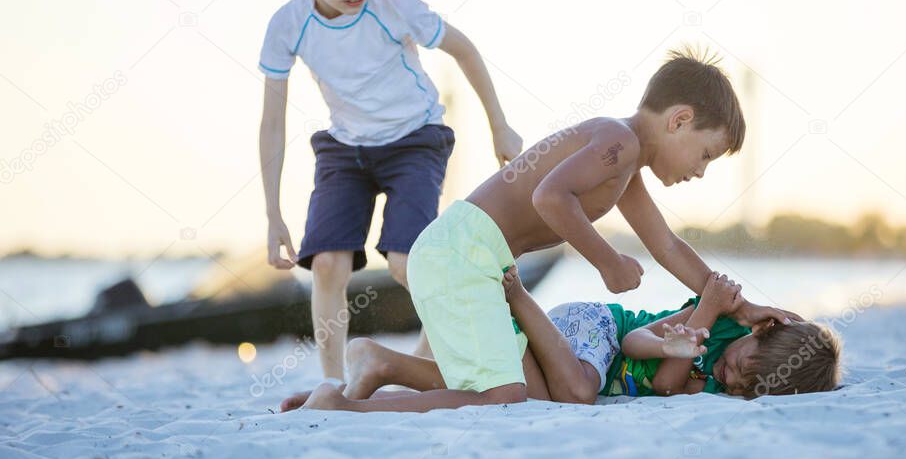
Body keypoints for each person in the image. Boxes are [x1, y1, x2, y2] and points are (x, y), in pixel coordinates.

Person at [292, 46, 774, 412]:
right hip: (463, 251)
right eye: (706, 153)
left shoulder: (625, 167)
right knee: (503, 395)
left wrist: (743, 306)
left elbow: (666, 245)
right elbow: (549, 196)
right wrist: (607, 261)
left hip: (472, 255)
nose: (700, 170)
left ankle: (377, 364)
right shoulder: (618, 143)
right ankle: (345, 409)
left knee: (488, 377)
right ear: (680, 120)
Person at [258, 0, 522, 380]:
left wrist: (499, 125)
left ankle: (428, 361)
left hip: (414, 140)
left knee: (409, 262)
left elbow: (463, 48)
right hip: (346, 148)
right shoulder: (287, 25)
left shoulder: (390, 5)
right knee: (327, 266)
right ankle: (335, 382)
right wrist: (274, 214)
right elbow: (272, 120)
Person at [281, 269, 839, 410]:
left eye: (746, 386)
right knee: (577, 391)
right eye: (742, 363)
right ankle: (516, 295)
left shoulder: (725, 392)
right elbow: (640, 340)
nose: (731, 375)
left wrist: (682, 355)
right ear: (754, 336)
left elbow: (671, 388)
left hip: (560, 357)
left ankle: (375, 368)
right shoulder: (713, 325)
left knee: (514, 397)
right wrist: (704, 316)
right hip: (591, 328)